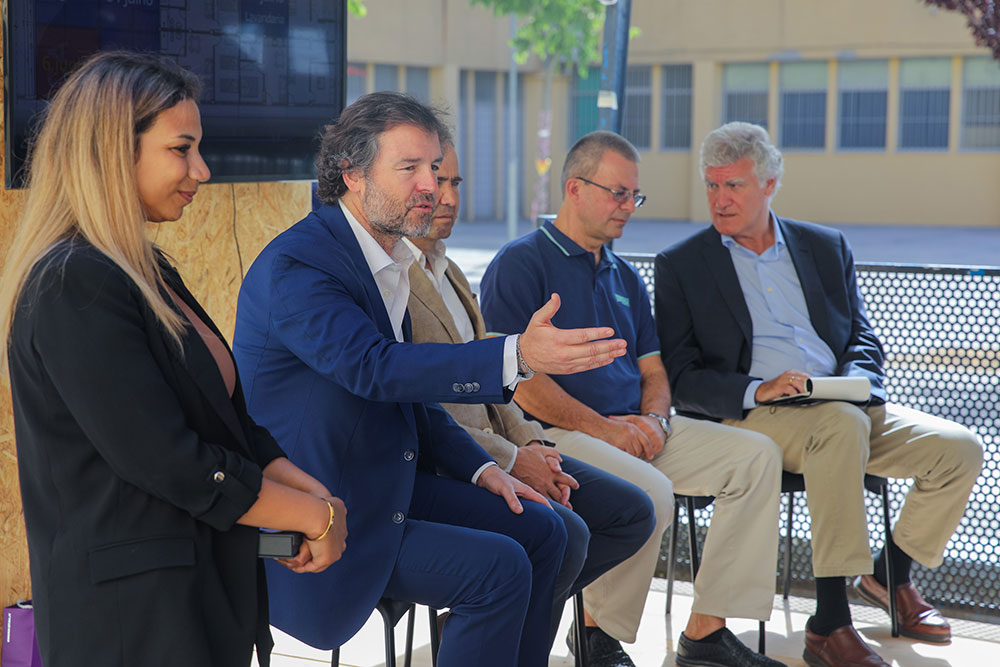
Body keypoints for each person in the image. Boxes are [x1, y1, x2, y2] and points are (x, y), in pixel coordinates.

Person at [232, 92, 628, 667]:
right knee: (501, 567)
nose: (432, 186)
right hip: (330, 506)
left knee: (552, 531)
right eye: (410, 168)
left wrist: (484, 467)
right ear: (353, 173)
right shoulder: (302, 264)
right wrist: (514, 355)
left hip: (391, 481)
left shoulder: (386, 259)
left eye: (436, 169)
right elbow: (375, 369)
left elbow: (407, 398)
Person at [0, 51, 347, 667]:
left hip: (190, 598)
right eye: (180, 149)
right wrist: (310, 514)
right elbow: (167, 459)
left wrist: (307, 491)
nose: (201, 171)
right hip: (130, 623)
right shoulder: (72, 282)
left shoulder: (144, 269)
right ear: (111, 151)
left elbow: (220, 420)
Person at [655, 121, 984, 667]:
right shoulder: (683, 265)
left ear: (770, 183)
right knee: (839, 427)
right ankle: (829, 622)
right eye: (711, 186)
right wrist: (759, 390)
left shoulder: (824, 247)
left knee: (959, 448)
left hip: (842, 405)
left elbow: (861, 337)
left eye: (733, 185)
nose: (720, 199)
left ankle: (889, 576)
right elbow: (683, 378)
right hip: (756, 417)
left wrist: (853, 384)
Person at [480, 130, 786, 667]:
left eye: (634, 196)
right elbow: (518, 382)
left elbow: (653, 368)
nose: (628, 207)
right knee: (650, 490)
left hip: (633, 429)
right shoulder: (520, 263)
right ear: (574, 188)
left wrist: (654, 421)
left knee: (757, 456)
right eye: (617, 193)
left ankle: (706, 633)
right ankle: (597, 635)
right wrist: (607, 430)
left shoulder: (624, 274)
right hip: (557, 435)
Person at [404, 142, 656, 646]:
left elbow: (498, 381)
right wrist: (514, 457)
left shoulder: (449, 271)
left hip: (513, 443)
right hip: (449, 463)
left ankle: (503, 617)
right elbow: (421, 407)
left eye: (455, 183)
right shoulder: (394, 279)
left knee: (633, 512)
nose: (446, 196)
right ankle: (500, 622)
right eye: (436, 180)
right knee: (562, 535)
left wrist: (534, 445)